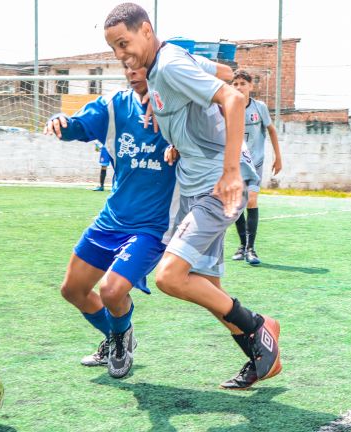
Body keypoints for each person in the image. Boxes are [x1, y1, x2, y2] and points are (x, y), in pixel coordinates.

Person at [104, 2, 281, 390]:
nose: (121, 55)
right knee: (208, 289)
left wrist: (232, 171)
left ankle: (260, 327)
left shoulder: (168, 66)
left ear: (146, 31)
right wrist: (178, 138)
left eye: (124, 43)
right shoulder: (164, 66)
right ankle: (260, 355)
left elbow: (232, 97)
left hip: (217, 186)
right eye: (115, 49)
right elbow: (223, 72)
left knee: (170, 276)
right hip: (195, 184)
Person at [44, 62, 177, 379]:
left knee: (112, 291)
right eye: (127, 66)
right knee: (72, 290)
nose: (132, 71)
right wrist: (60, 122)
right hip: (112, 219)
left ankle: (119, 338)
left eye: (141, 66)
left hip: (152, 226)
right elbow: (78, 126)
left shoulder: (180, 112)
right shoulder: (114, 105)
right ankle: (117, 335)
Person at [230, 69, 282, 265]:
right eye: (235, 84)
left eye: (243, 84)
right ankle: (242, 246)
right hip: (235, 164)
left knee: (251, 200)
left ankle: (251, 249)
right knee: (236, 206)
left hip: (255, 163)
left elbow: (271, 130)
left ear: (251, 87)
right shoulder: (228, 108)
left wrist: (278, 157)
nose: (239, 87)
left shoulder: (259, 107)